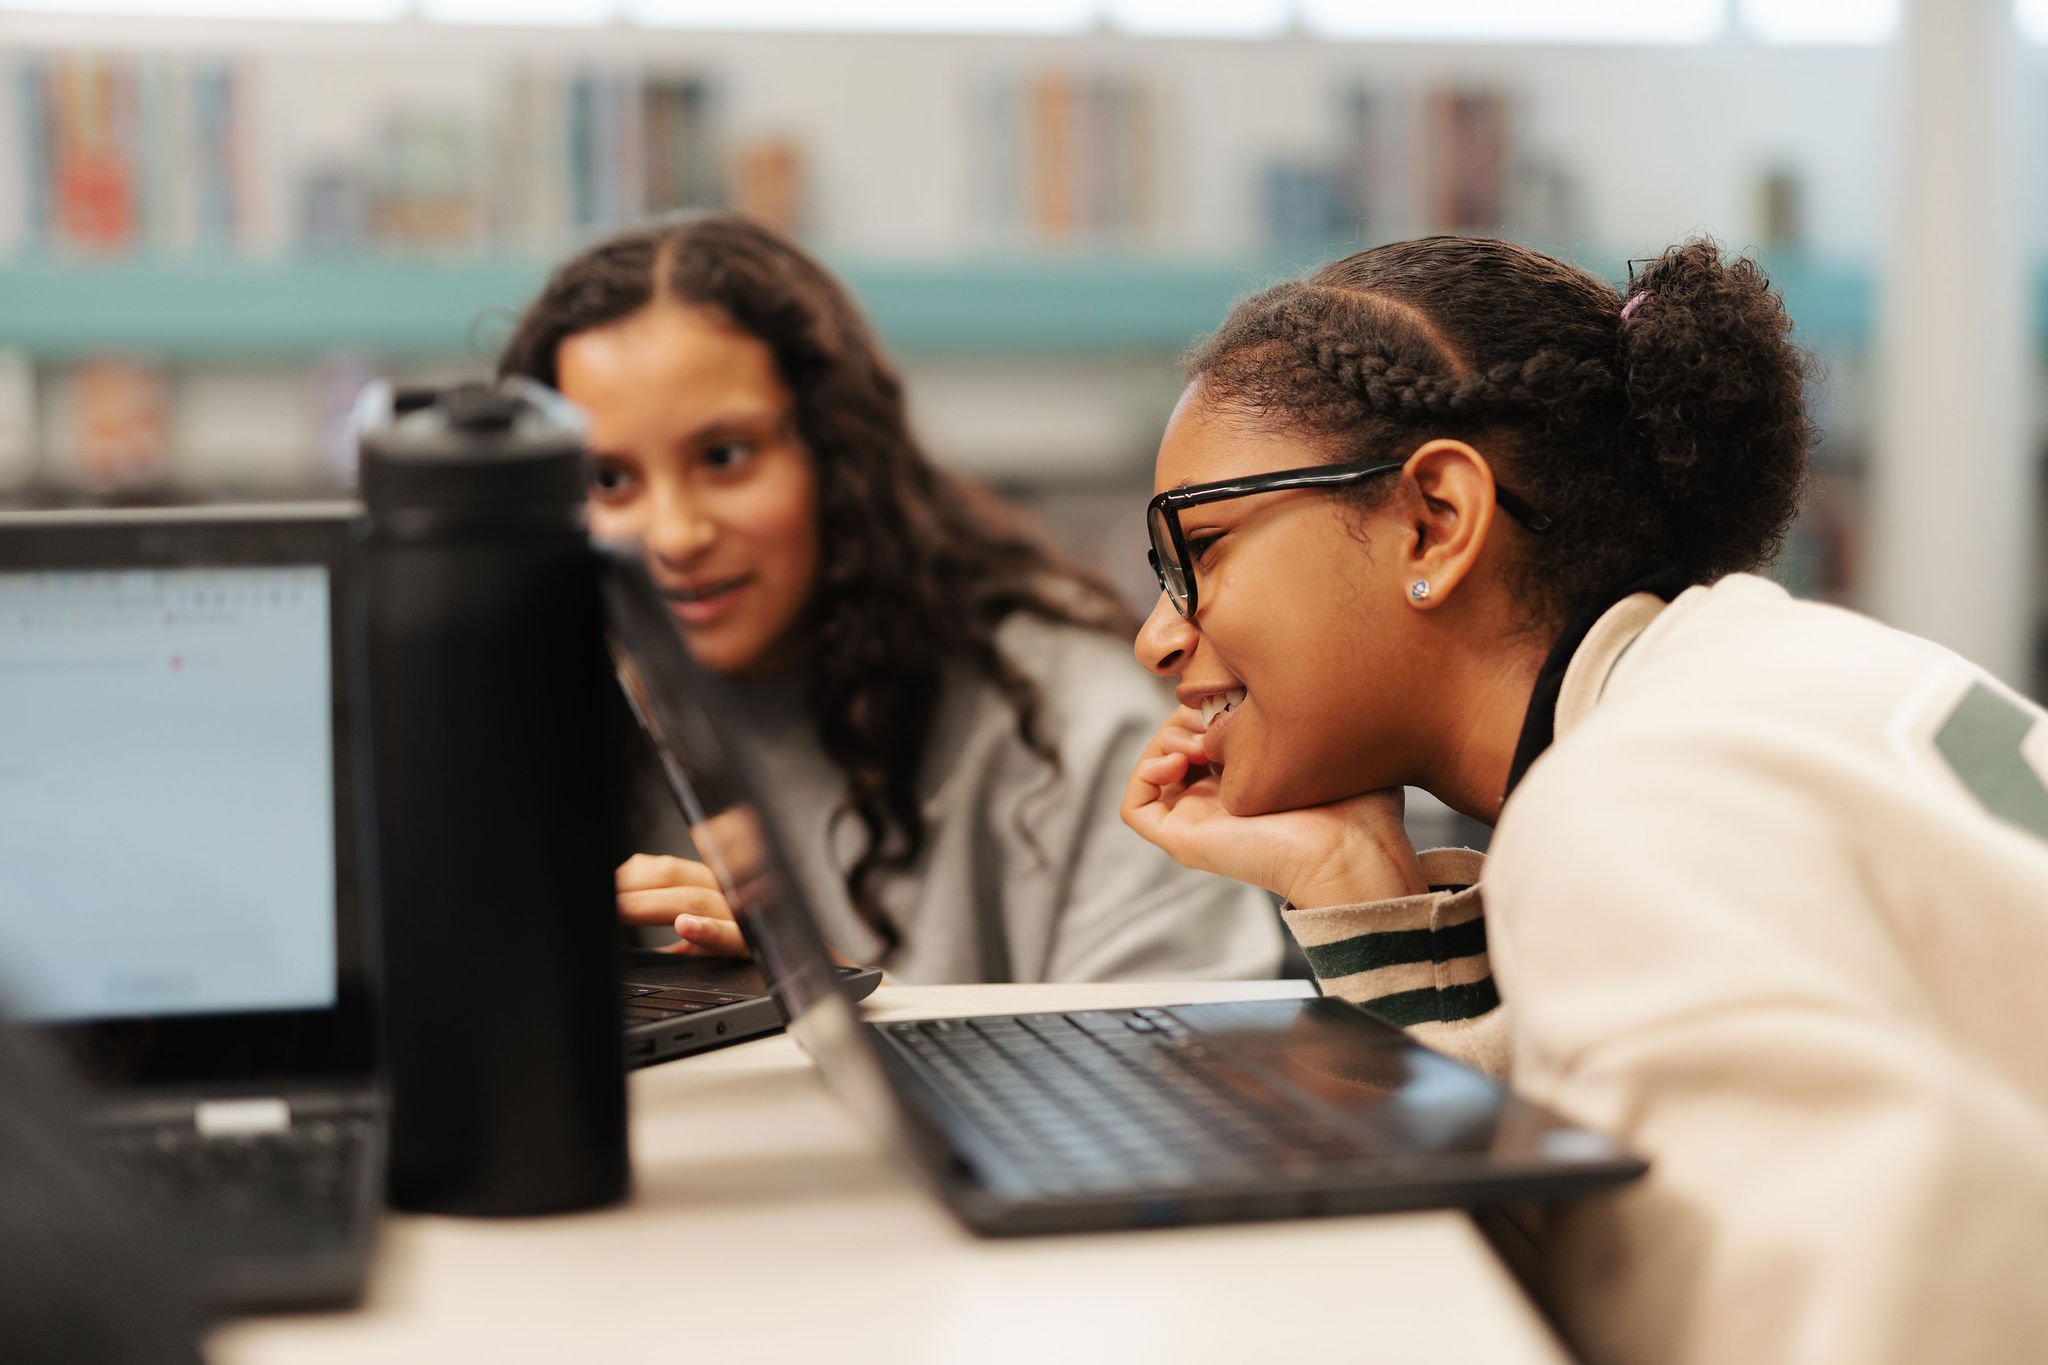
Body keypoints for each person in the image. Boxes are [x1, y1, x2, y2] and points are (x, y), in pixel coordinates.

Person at [1119, 235, 2048, 1364]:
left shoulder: (1640, 800)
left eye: (1198, 551)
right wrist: (1356, 889)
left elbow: (1832, 1317)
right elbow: (1578, 1214)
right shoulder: (1720, 695)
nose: (1158, 635)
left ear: (1434, 521)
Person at [500, 213, 1282, 984]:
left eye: (725, 456)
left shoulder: (1066, 709)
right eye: (607, 479)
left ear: (835, 454)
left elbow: (1187, 1069)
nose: (673, 534)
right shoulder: (520, 711)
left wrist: (825, 996)